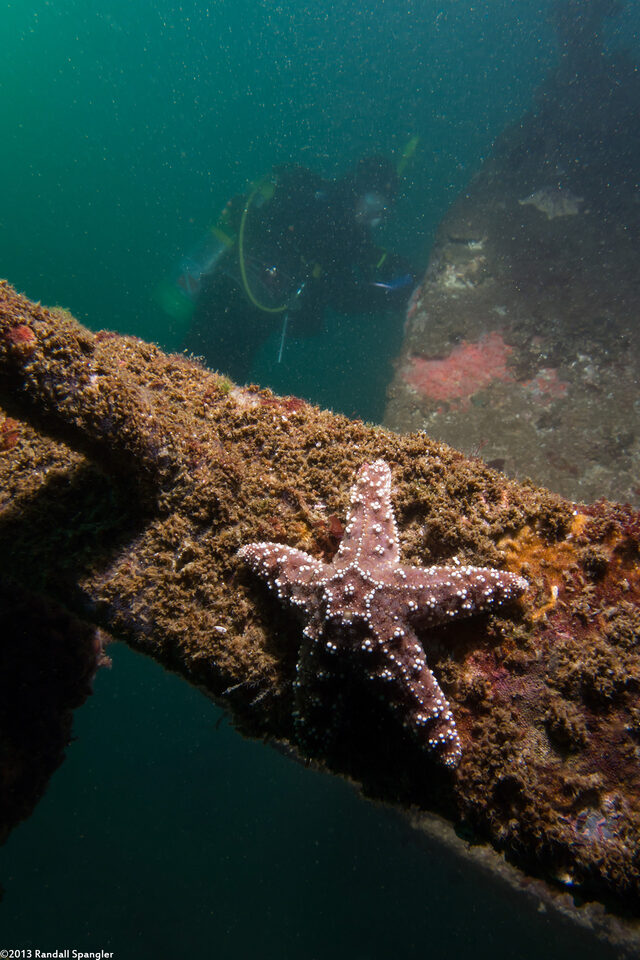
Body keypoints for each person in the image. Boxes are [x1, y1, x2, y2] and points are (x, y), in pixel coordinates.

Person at [181, 156, 416, 382]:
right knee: (208, 375)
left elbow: (349, 267)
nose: (375, 219)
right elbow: (344, 296)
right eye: (374, 204)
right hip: (240, 304)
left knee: (200, 373)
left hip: (240, 301)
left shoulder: (333, 214)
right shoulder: (330, 217)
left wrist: (385, 265)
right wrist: (396, 296)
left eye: (383, 212)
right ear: (357, 190)